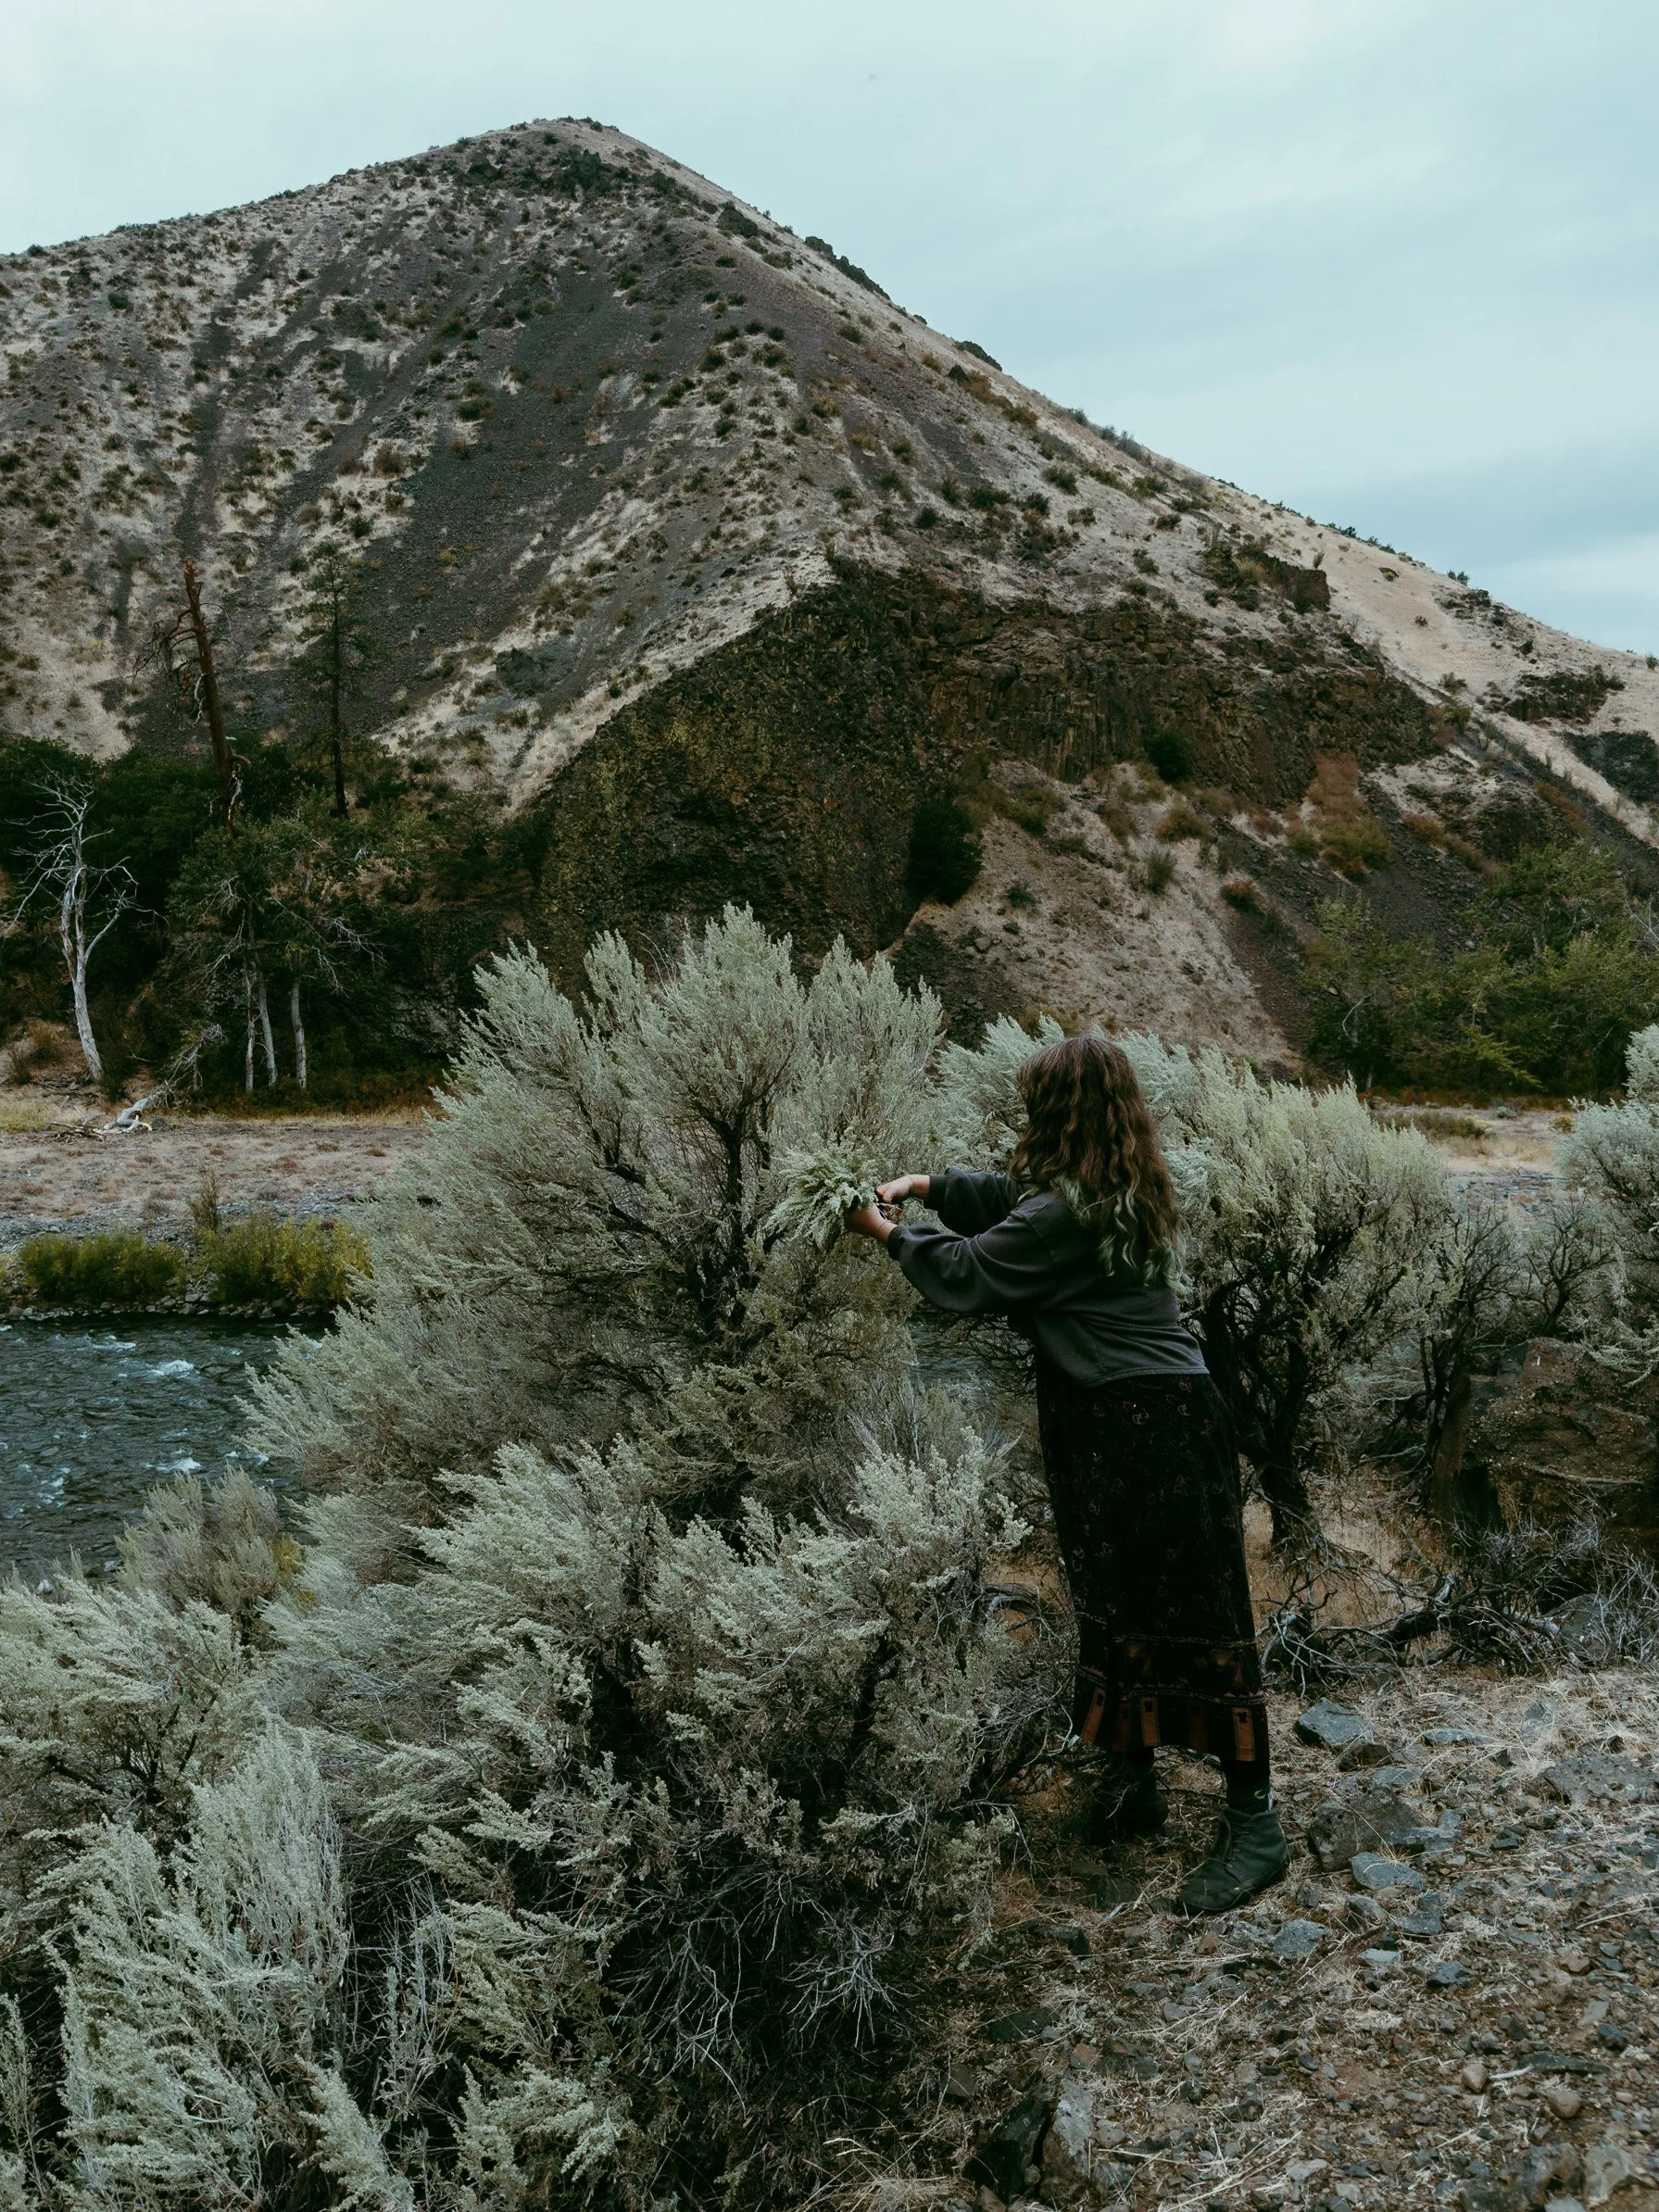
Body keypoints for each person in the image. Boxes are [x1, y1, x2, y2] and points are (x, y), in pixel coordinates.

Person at [844, 1031, 1288, 1915]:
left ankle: (1255, 1825)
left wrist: (882, 1230)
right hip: (1136, 1422)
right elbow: (1012, 1202)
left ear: (1060, 1114)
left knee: (1197, 1613)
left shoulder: (1066, 1212)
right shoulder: (1118, 1187)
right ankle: (1135, 1783)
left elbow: (969, 1272)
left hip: (1143, 1430)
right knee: (1115, 1598)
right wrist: (929, 1184)